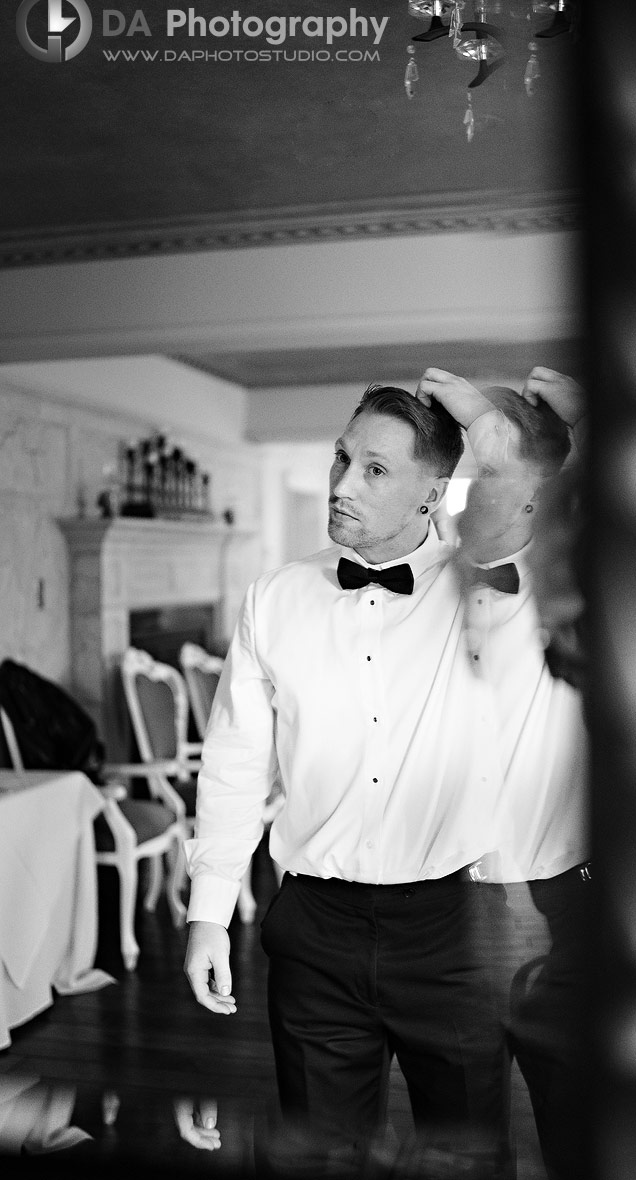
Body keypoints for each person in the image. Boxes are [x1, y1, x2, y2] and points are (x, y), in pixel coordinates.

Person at [182, 384, 511, 1178]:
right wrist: (208, 914)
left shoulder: (492, 589)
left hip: (453, 927)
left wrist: (488, 428)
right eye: (341, 458)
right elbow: (233, 765)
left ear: (432, 493)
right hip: (314, 933)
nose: (342, 484)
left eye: (375, 470)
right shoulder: (273, 600)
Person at [415, 366, 592, 1180]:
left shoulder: (577, 597)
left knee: (576, 1125)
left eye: (481, 476)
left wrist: (587, 426)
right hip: (438, 909)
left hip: (560, 904)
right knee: (459, 1136)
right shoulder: (418, 585)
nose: (456, 501)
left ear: (537, 502)